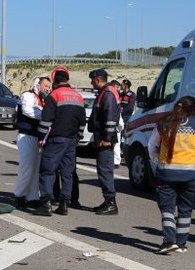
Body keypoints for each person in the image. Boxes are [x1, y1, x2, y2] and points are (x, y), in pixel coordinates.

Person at [149, 96, 195, 255]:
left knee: (167, 208)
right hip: (190, 173)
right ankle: (181, 244)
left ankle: (169, 241)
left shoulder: (163, 122)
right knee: (186, 209)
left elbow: (152, 145)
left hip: (167, 172)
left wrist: (157, 160)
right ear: (192, 110)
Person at [34, 67, 86, 216]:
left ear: (55, 81)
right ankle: (64, 205)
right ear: (67, 80)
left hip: (56, 140)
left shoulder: (54, 95)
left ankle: (46, 204)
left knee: (47, 171)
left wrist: (40, 138)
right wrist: (78, 138)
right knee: (67, 173)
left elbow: (46, 121)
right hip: (71, 141)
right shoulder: (78, 97)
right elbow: (83, 121)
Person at [88, 68, 121, 215]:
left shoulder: (107, 94)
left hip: (104, 139)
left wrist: (106, 138)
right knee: (104, 169)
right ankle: (107, 201)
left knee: (105, 170)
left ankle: (110, 202)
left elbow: (109, 117)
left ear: (98, 80)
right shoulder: (106, 92)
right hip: (102, 137)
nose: (91, 83)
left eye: (92, 81)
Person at [14, 77, 51, 209]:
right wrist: (46, 114)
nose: (47, 88)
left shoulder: (43, 100)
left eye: (48, 86)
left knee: (36, 170)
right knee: (27, 166)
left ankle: (32, 196)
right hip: (26, 135)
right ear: (37, 85)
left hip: (38, 137)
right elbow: (28, 111)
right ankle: (19, 195)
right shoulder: (28, 96)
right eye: (45, 86)